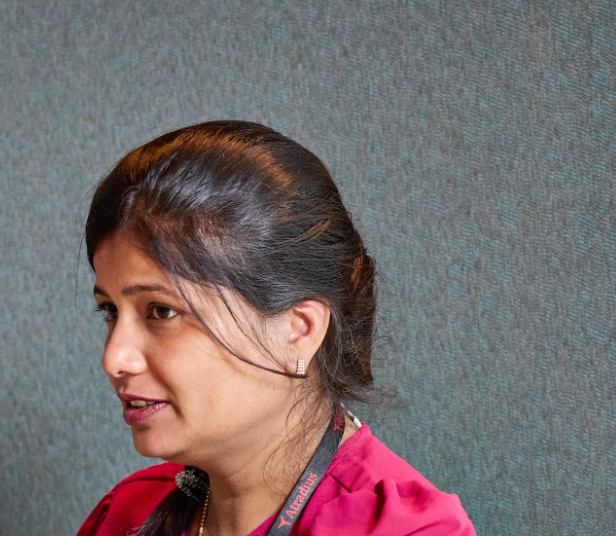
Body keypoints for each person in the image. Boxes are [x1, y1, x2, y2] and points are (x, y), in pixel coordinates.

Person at [76, 121, 475, 536]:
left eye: (161, 311)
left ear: (297, 330)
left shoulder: (402, 530)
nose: (113, 358)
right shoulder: (128, 512)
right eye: (110, 310)